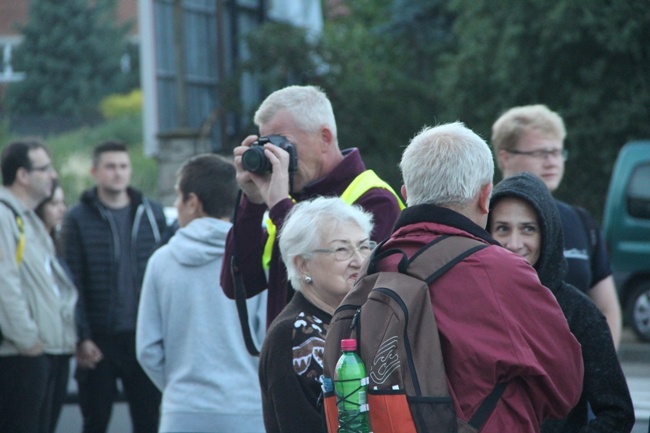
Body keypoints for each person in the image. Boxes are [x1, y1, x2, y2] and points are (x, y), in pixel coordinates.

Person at [377, 122, 583, 432]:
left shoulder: (372, 266)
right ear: (485, 196)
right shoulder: (503, 272)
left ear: (406, 194)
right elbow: (565, 386)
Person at [220, 85, 402, 328]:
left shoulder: (375, 200)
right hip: (287, 354)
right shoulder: (288, 199)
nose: (277, 157)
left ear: (324, 138)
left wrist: (280, 206)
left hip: (340, 359)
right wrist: (252, 202)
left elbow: (364, 293)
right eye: (267, 146)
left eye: (284, 145)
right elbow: (238, 286)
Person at [489, 172, 634, 433]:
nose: (514, 243)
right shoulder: (472, 302)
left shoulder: (579, 313)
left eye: (528, 229)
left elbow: (618, 413)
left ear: (548, 234)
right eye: (502, 228)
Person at [136, 154, 266, 432]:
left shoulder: (162, 261)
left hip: (182, 411)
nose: (175, 205)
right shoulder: (253, 259)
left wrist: (178, 390)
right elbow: (268, 338)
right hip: (246, 408)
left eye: (177, 196)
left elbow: (147, 349)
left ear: (193, 202)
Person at [491, 104, 622, 347]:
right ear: (505, 156)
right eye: (541, 153)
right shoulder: (482, 216)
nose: (552, 162)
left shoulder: (581, 221)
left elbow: (607, 308)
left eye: (557, 152)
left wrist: (603, 368)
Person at [62, 140, 167, 433]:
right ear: (95, 171)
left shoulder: (152, 214)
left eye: (123, 166)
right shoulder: (77, 218)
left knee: (149, 423)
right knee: (95, 422)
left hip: (143, 338)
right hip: (99, 340)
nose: (117, 173)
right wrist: (82, 336)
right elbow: (72, 283)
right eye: (110, 167)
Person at [259, 196, 375, 433]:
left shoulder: (354, 317)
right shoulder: (294, 335)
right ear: (303, 265)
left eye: (364, 246)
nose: (359, 260)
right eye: (342, 249)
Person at [0, 139, 77, 433]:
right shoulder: (4, 215)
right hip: (19, 357)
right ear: (22, 175)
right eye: (44, 168)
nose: (53, 175)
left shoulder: (27, 219)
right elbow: (5, 286)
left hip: (42, 354)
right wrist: (28, 340)